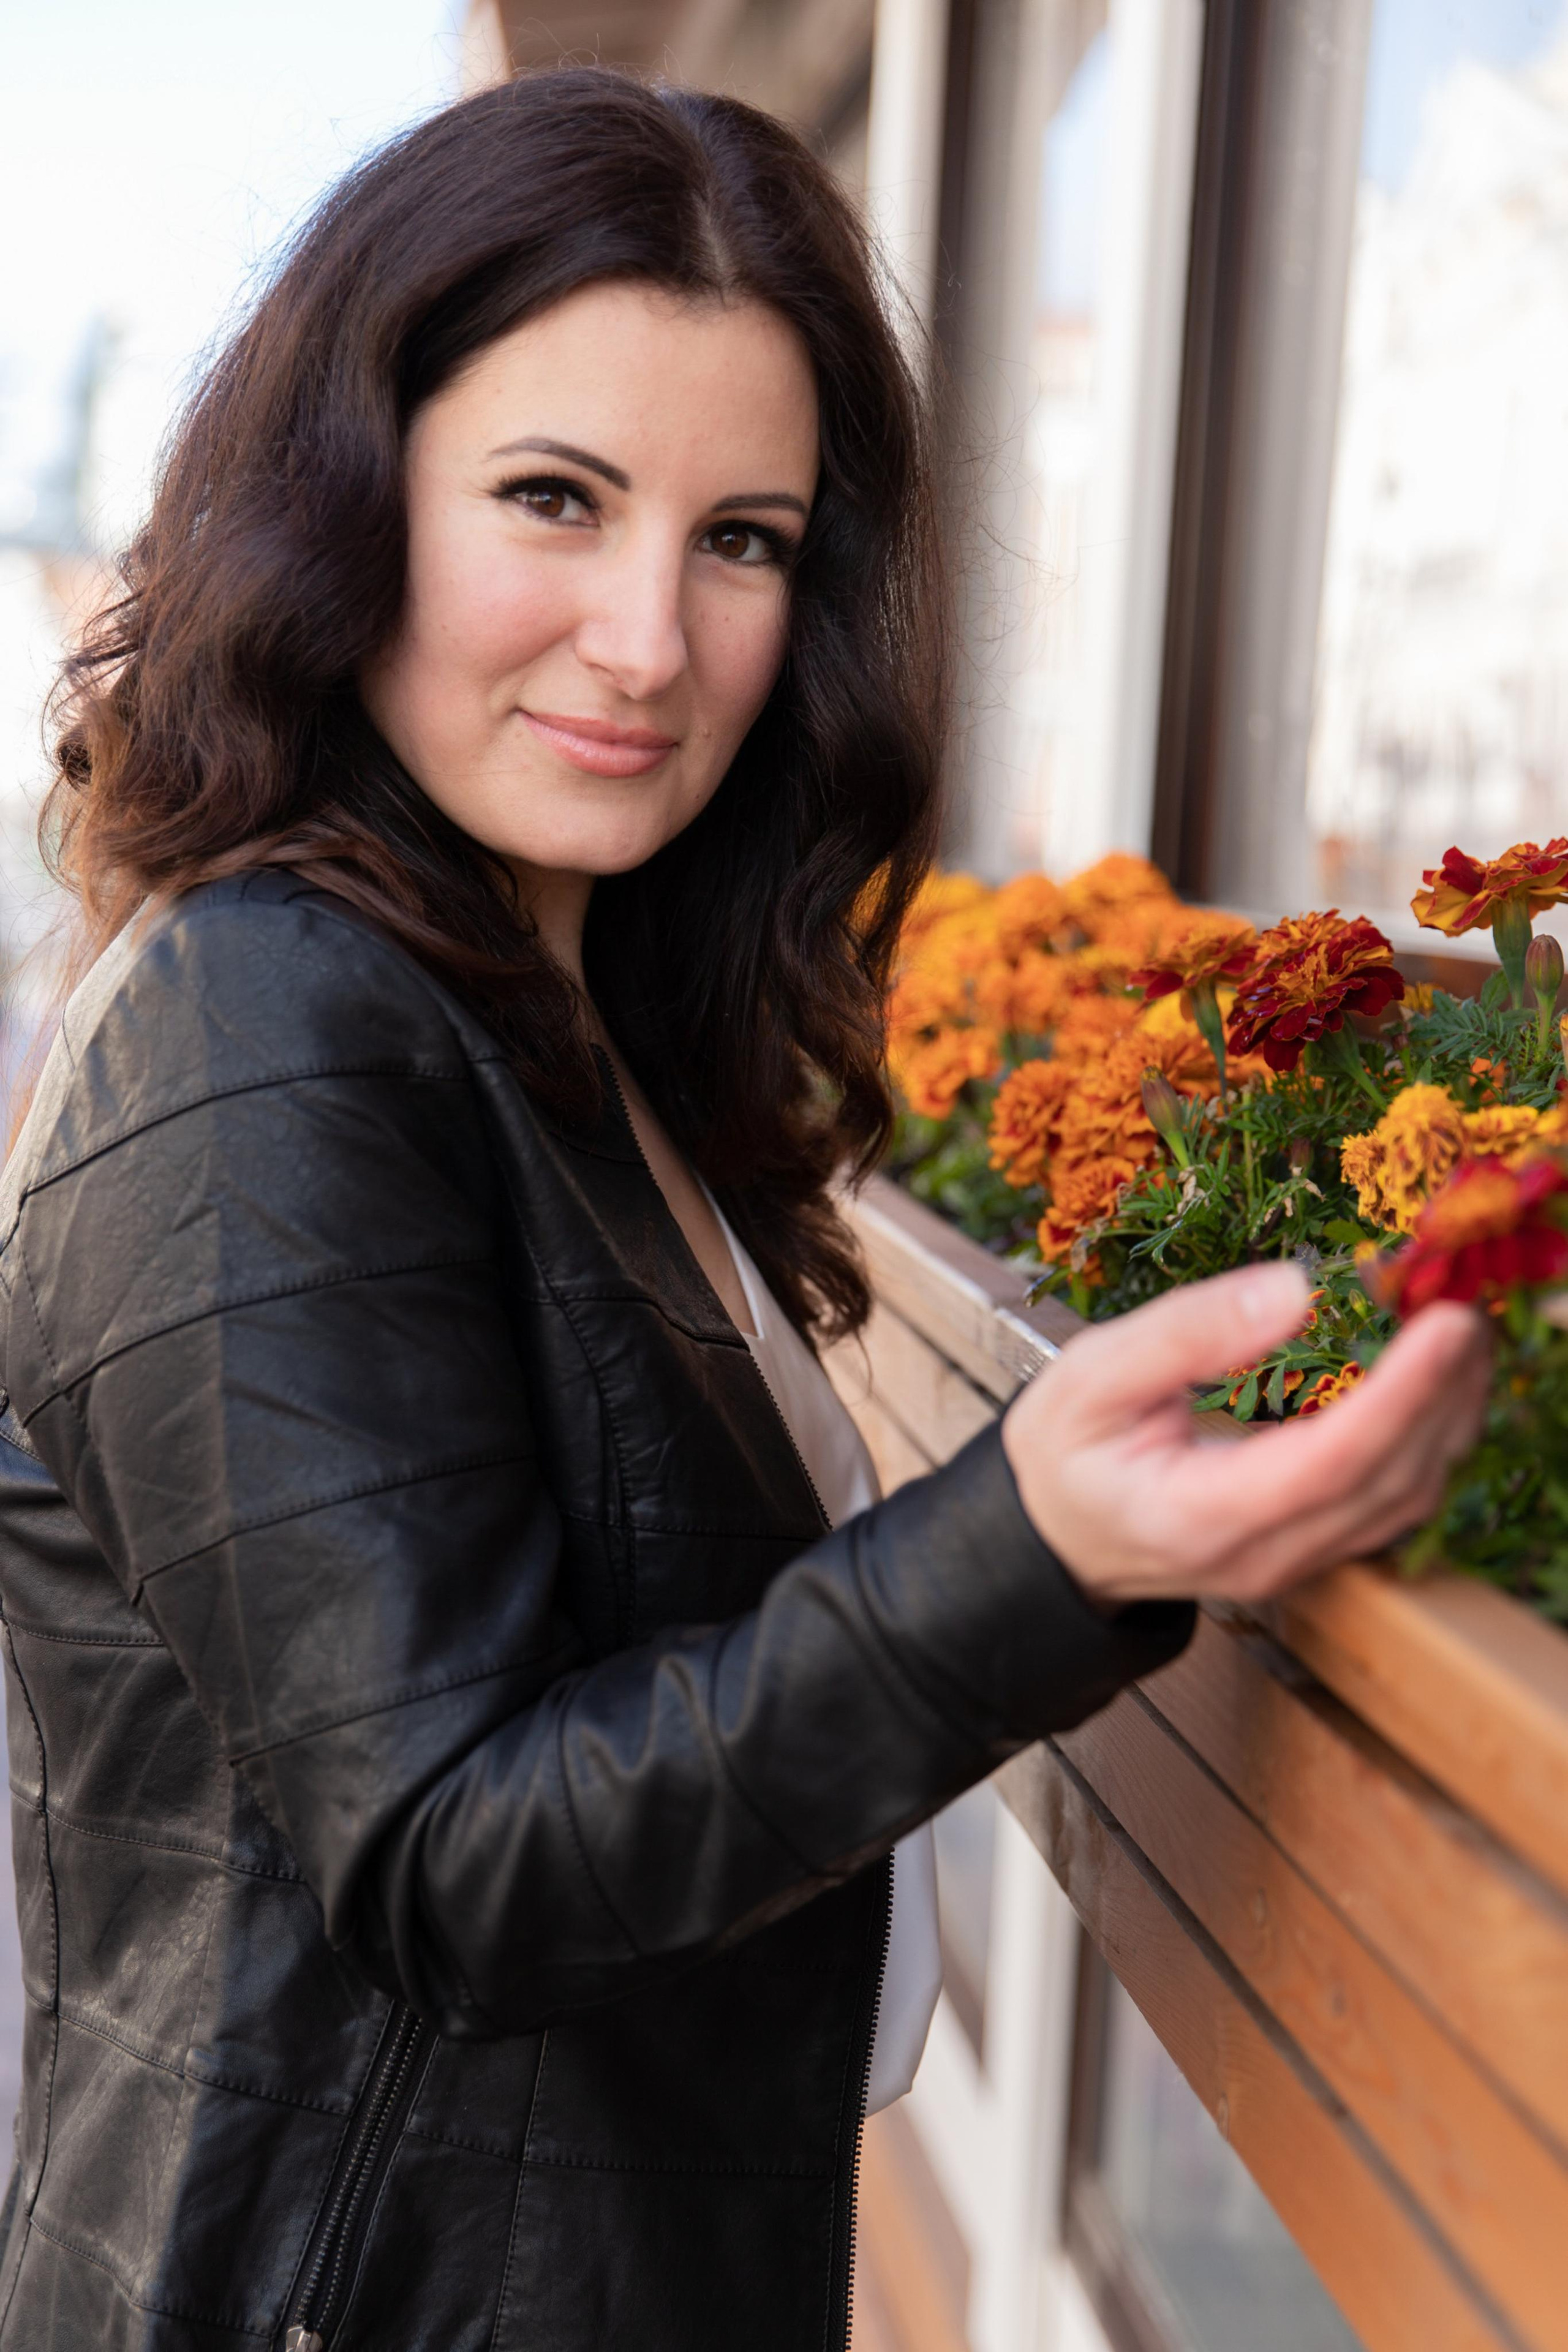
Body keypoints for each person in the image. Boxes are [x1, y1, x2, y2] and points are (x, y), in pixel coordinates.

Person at [0, 69, 1488, 2352]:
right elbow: (455, 1865)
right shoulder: (266, 1019)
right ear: (344, 501)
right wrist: (1035, 1550)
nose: (647, 640)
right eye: (554, 498)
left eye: (746, 540)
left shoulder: (561, 1019)